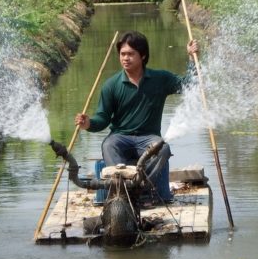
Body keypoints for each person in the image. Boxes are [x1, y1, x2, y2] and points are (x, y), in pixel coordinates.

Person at [75, 30, 198, 203]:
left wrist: (192, 59)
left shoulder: (160, 79)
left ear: (143, 55)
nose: (125, 58)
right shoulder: (111, 85)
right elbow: (102, 118)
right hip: (120, 137)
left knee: (163, 148)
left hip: (148, 137)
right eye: (122, 54)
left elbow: (189, 85)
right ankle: (121, 190)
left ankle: (144, 187)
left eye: (131, 54)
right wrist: (88, 123)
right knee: (109, 145)